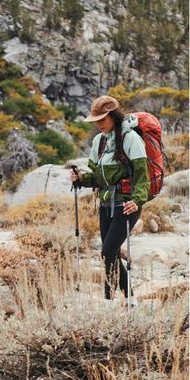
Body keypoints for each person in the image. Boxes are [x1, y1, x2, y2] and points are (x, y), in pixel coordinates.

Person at [70, 95, 149, 305]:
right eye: (96, 120)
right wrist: (81, 178)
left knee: (108, 250)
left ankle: (107, 302)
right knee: (109, 255)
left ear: (113, 116)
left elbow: (142, 173)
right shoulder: (99, 141)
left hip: (126, 205)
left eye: (102, 119)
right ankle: (131, 301)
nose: (98, 124)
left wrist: (137, 200)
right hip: (105, 204)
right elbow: (95, 176)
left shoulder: (130, 138)